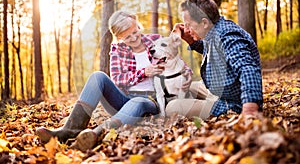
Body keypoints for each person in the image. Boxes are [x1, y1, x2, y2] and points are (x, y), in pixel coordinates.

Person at [36, 10, 193, 151]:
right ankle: (70, 129)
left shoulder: (156, 40)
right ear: (119, 38)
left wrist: (187, 74)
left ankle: (95, 134)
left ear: (138, 25)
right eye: (127, 37)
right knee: (98, 76)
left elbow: (177, 61)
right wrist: (143, 72)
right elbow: (118, 80)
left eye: (135, 31)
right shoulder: (118, 50)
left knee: (138, 101)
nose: (134, 38)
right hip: (123, 99)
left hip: (152, 100)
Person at [165, 0, 263, 119]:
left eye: (189, 25)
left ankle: (207, 108)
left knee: (172, 107)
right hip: (218, 91)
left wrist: (250, 109)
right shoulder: (213, 31)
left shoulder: (227, 36)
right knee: (181, 87)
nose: (187, 29)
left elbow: (247, 69)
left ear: (204, 22)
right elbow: (214, 52)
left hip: (232, 102)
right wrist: (191, 41)